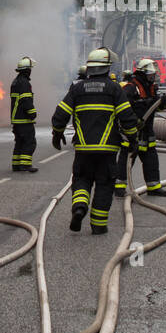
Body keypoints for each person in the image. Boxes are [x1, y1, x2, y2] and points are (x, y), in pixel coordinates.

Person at [50, 48, 137, 234]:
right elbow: (127, 117)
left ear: (89, 68)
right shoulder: (115, 89)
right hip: (107, 150)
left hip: (83, 149)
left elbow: (60, 114)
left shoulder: (77, 88)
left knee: (82, 179)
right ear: (107, 68)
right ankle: (98, 225)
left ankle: (80, 207)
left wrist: (57, 134)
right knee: (104, 185)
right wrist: (133, 139)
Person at [115, 58, 166, 198]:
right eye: (151, 75)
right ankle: (119, 187)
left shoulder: (150, 87)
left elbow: (156, 107)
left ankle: (154, 187)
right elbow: (123, 108)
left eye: (153, 75)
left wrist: (163, 102)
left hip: (147, 132)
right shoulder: (131, 88)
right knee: (126, 160)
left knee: (151, 159)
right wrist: (134, 120)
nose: (153, 77)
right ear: (142, 73)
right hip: (132, 131)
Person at [10, 56, 38, 173]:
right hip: (24, 119)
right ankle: (25, 165)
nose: (31, 71)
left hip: (16, 119)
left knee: (19, 142)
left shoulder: (15, 82)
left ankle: (16, 164)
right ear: (27, 70)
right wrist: (32, 113)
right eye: (30, 69)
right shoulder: (24, 83)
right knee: (29, 142)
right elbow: (26, 100)